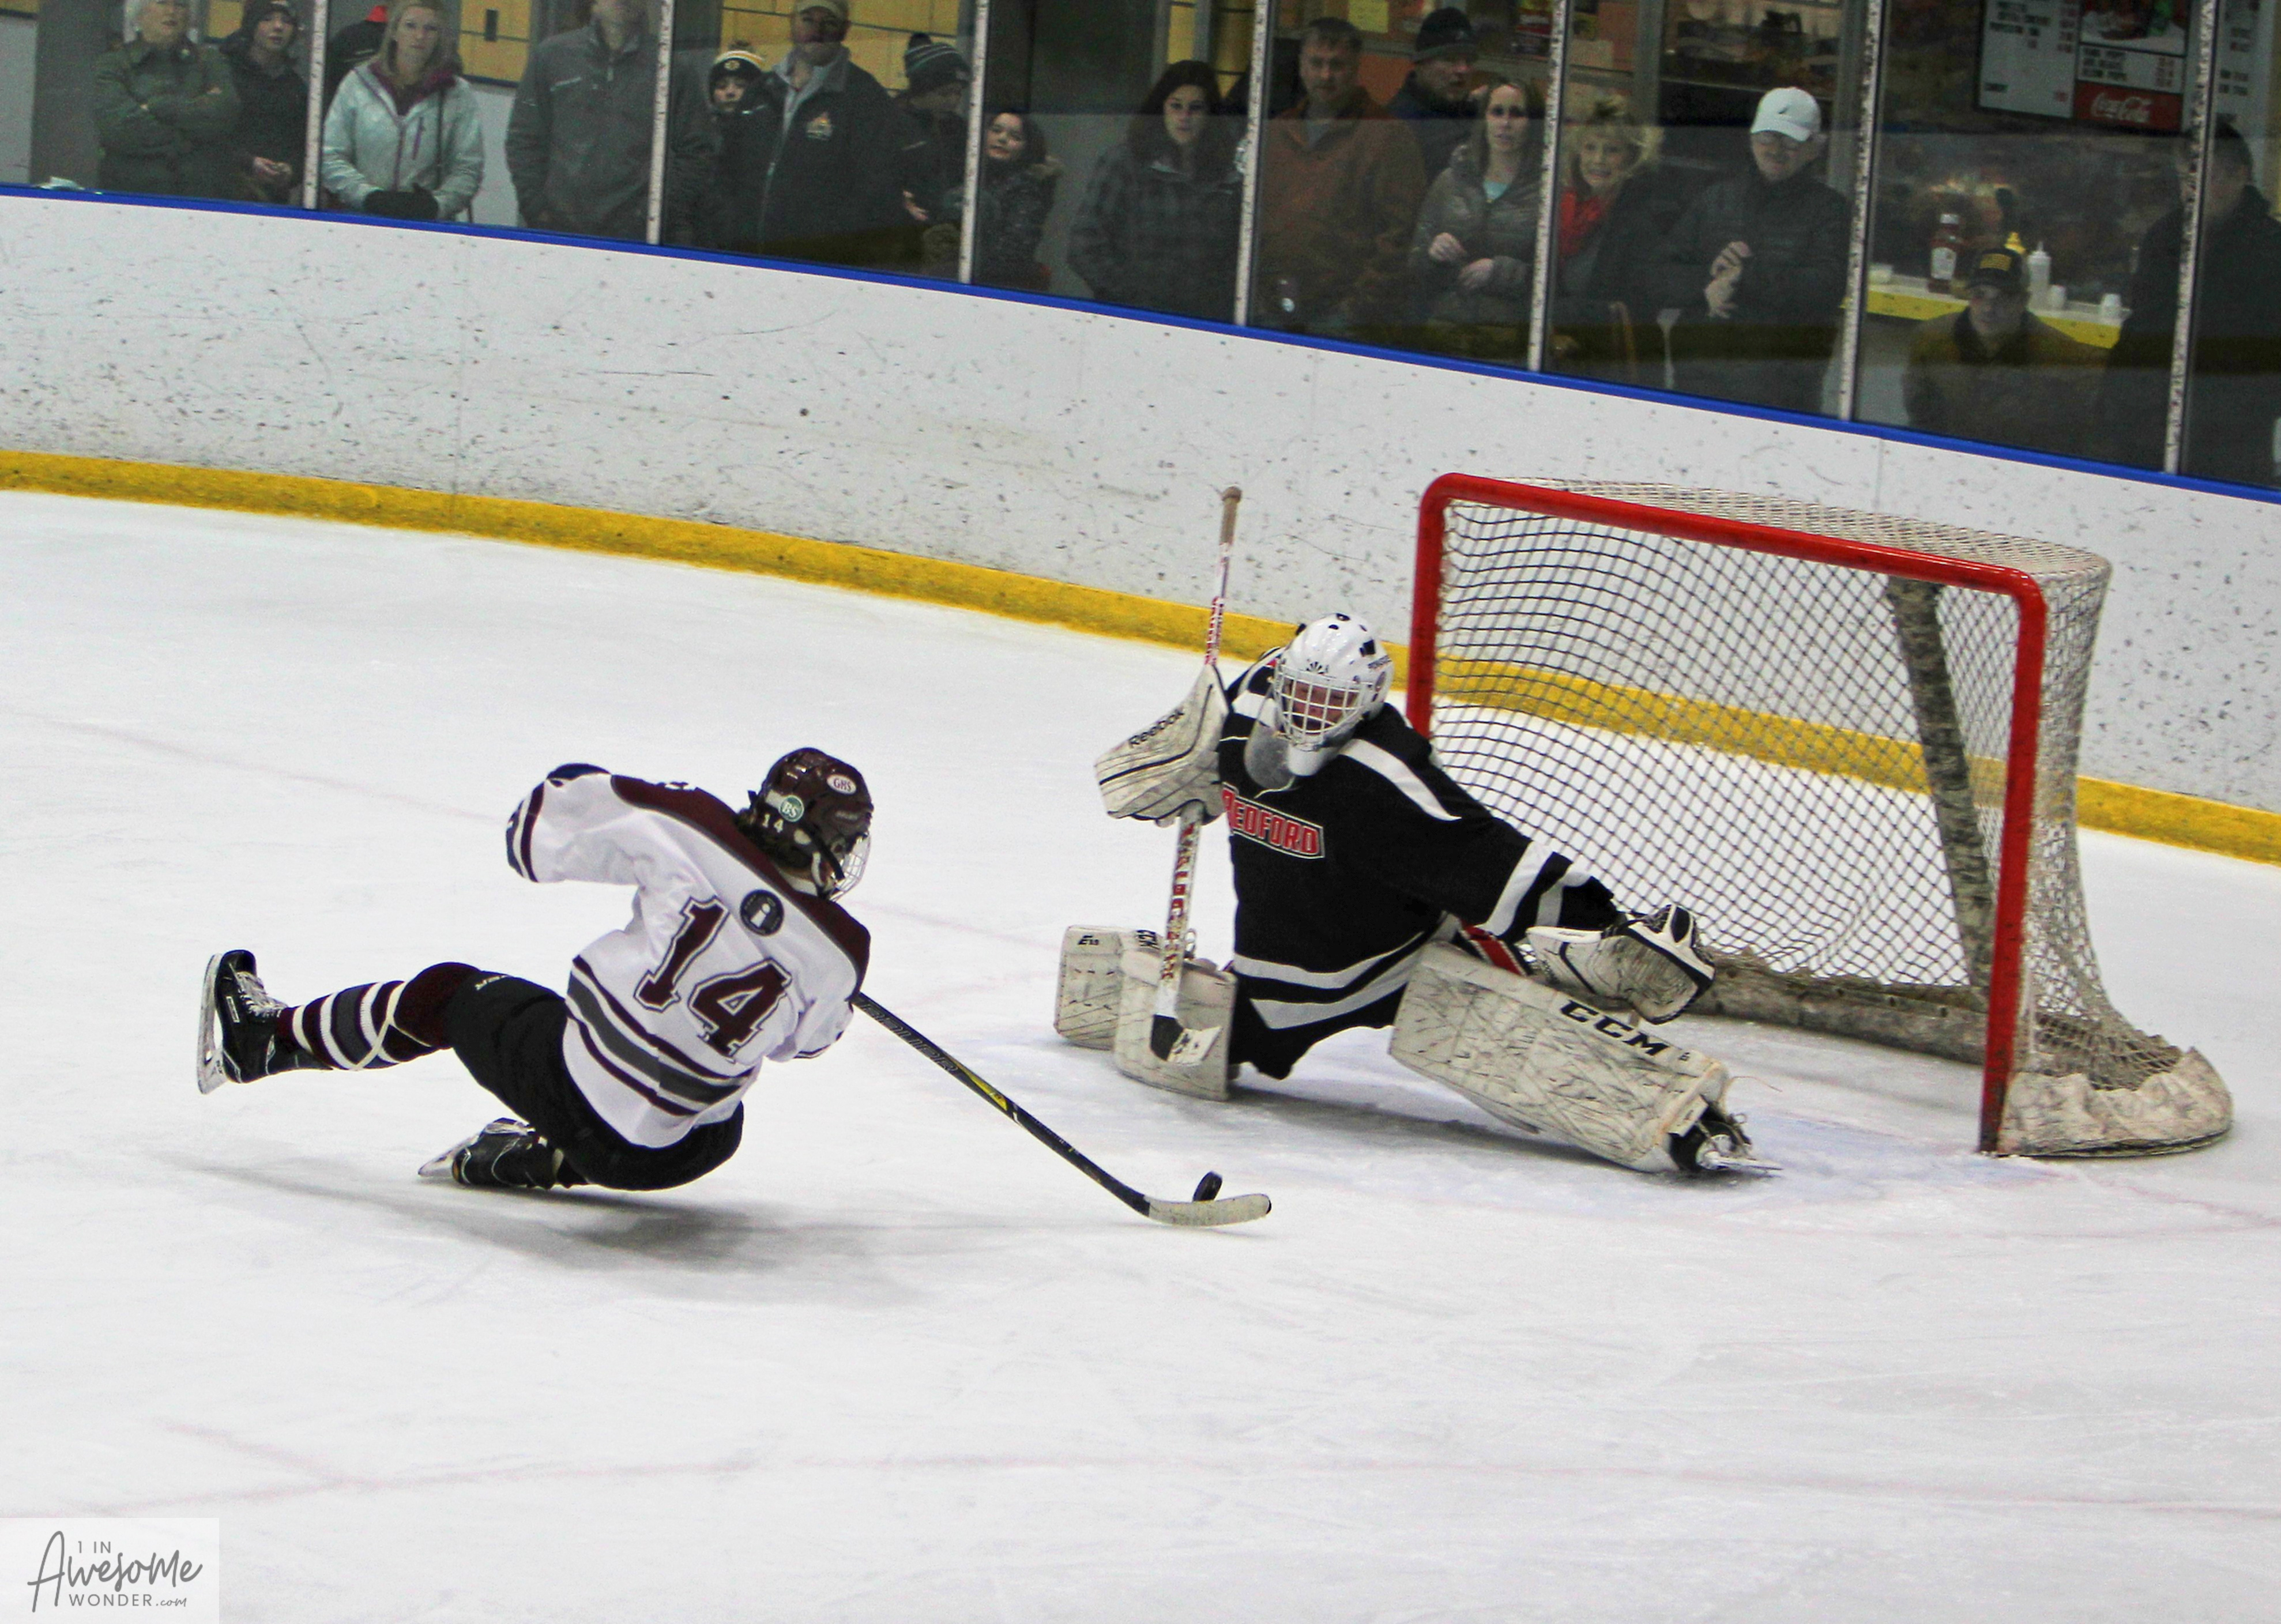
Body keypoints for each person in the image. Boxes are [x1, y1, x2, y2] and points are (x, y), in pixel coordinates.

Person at [1087, 613, 1747, 1173]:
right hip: (1278, 978)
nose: (1309, 713)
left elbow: (1484, 858)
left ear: (1368, 701)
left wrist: (1597, 923)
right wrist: (1187, 758)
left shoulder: (1384, 777)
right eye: (1300, 694)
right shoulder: (1244, 707)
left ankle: (1680, 1115)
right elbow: (1191, 739)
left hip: (1396, 962)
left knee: (1522, 1045)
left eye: (1329, 703)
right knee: (1176, 1057)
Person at [196, 753, 873, 1193]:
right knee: (720, 1118)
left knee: (449, 994)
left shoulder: (689, 825)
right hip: (669, 1162)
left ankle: (263, 1041)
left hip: (567, 1087)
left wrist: (604, 794)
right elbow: (804, 1045)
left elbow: (531, 840)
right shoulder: (840, 953)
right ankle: (535, 1158)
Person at [2101, 122, 2281, 485]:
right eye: (2186, 178)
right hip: (2148, 427)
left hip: (2232, 441)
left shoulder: (2271, 248)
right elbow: (2142, 329)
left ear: (2240, 176)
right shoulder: (2165, 237)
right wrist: (2116, 398)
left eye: (2205, 178)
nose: (2191, 191)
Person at [1655, 86, 1849, 414]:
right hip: (1698, 378)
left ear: (1814, 149)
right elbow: (1660, 274)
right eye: (1767, 138)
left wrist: (1742, 278)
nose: (1776, 150)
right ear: (1751, 139)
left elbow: (1827, 288)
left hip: (1783, 391)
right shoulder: (1714, 199)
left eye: (1791, 142)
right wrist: (1706, 283)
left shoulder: (1831, 210)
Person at [1255, 16, 1429, 340]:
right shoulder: (1277, 132)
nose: (1326, 75)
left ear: (1356, 67)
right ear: (1301, 65)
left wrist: (1354, 312)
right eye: (1316, 63)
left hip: (1344, 326)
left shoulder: (1387, 136)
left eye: (1337, 65)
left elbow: (1401, 236)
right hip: (1272, 311)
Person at [506, 0, 709, 240]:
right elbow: (524, 138)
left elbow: (698, 150)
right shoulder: (552, 56)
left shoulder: (671, 69)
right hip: (558, 231)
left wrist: (660, 214)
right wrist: (538, 209)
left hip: (639, 238)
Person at [729, 0, 910, 266]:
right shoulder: (761, 91)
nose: (818, 30)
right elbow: (726, 169)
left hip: (820, 266)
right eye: (808, 20)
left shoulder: (865, 98)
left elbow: (878, 191)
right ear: (792, 23)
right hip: (743, 259)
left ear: (845, 29)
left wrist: (832, 250)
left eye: (829, 22)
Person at [1066, 61, 1243, 321]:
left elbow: (1235, 255)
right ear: (1161, 108)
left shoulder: (1226, 175)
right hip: (1130, 318)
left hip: (1203, 321)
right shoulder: (1124, 163)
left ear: (1210, 114)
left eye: (1196, 108)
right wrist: (1131, 299)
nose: (1184, 117)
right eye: (1176, 106)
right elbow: (1084, 245)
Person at [1903, 247, 2103, 455]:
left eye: (2003, 298)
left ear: (2023, 301)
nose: (1988, 308)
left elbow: (2080, 439)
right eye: (1980, 295)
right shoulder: (1932, 339)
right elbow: (1920, 419)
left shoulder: (2062, 356)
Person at [1406, 77, 1542, 361]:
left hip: (1509, 348)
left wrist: (1500, 272)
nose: (1506, 123)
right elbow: (1413, 264)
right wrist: (1432, 252)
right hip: (1441, 338)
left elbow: (1556, 282)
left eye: (1517, 114)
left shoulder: (1547, 192)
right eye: (1497, 112)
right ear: (1484, 119)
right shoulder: (1450, 181)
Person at [1547, 93, 1677, 385]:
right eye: (1590, 147)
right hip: (1568, 362)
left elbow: (1637, 307)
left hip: (1615, 371)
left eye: (1612, 150)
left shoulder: (1649, 217)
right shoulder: (1566, 206)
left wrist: (1551, 310)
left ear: (1632, 156)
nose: (1598, 160)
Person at [321, 0, 483, 221]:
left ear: (440, 38)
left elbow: (468, 167)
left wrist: (437, 205)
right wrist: (368, 197)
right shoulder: (358, 83)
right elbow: (330, 155)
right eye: (410, 26)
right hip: (359, 219)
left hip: (430, 225)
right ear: (394, 31)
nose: (420, 36)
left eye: (430, 29)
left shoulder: (457, 94)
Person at [92, 0, 242, 200]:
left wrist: (157, 107)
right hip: (130, 195)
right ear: (139, 14)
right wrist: (191, 135)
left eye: (180, 5)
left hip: (202, 195)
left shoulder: (211, 61)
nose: (172, 11)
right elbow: (119, 129)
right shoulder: (113, 64)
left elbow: (225, 113)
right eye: (162, 3)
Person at [895, 32, 971, 276]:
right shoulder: (890, 122)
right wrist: (897, 199)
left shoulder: (959, 128)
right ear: (922, 90)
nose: (953, 101)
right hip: (901, 238)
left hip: (947, 238)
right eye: (945, 93)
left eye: (958, 93)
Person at [219, 1, 308, 206]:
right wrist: (248, 163)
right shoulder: (225, 73)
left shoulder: (295, 86)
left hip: (274, 198)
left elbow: (304, 142)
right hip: (223, 192)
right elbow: (209, 136)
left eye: (286, 21)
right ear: (251, 26)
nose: (278, 27)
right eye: (267, 19)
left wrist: (292, 170)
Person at [1386, 6, 1480, 184]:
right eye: (1450, 59)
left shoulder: (1479, 114)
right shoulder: (1397, 127)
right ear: (1422, 64)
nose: (1463, 70)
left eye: (1469, 61)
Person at [970, 110, 1060, 292]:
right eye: (996, 130)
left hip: (1000, 286)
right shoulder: (971, 176)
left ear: (1027, 148)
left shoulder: (1028, 189)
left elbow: (1014, 250)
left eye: (1015, 137)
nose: (1002, 139)